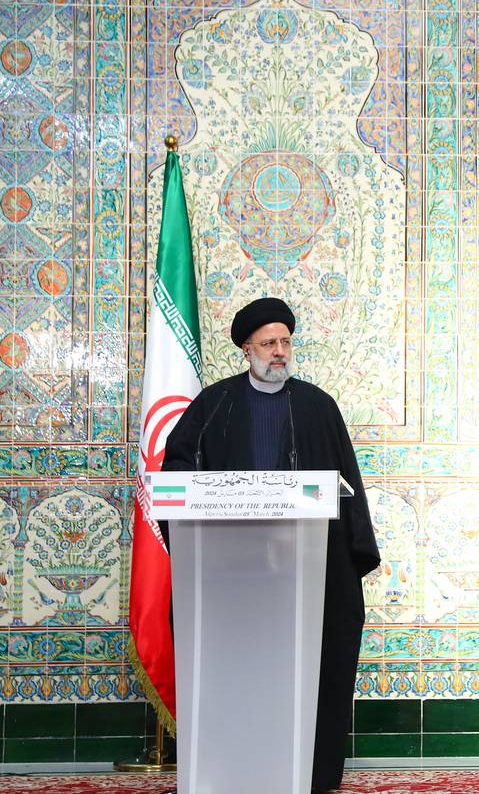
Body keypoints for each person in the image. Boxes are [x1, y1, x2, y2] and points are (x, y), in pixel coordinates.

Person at [162, 297, 380, 794]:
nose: (279, 352)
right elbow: (175, 477)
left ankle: (311, 772)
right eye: (268, 343)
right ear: (247, 348)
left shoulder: (318, 406)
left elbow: (347, 485)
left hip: (305, 567)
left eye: (285, 341)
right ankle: (228, 768)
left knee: (310, 667)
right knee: (238, 670)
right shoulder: (214, 405)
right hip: (230, 572)